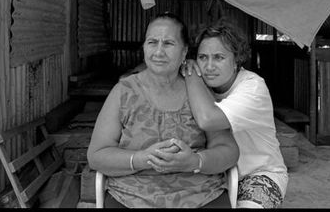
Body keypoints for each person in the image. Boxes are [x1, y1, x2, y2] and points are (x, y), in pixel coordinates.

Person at [87, 12, 239, 208]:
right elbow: (97, 155)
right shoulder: (124, 91)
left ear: (184, 52)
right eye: (152, 42)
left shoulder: (197, 90)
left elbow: (228, 150)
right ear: (144, 47)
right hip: (131, 197)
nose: (159, 52)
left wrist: (194, 162)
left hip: (200, 195)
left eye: (168, 43)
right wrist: (142, 159)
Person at [182, 19, 288, 208]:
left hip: (257, 174)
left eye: (219, 57)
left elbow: (208, 120)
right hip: (215, 171)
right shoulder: (202, 84)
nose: (209, 66)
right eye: (202, 57)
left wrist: (190, 73)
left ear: (236, 60)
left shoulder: (253, 87)